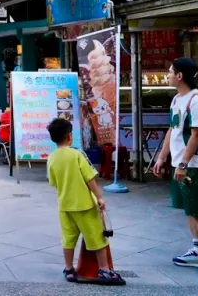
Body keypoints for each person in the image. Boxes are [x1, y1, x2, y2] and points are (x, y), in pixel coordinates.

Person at [47, 118, 121, 284]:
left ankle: (68, 269)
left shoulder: (52, 158)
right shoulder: (77, 154)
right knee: (97, 237)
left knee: (68, 238)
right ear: (69, 136)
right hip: (85, 205)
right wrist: (99, 197)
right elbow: (89, 178)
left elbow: (53, 182)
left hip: (65, 205)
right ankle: (104, 270)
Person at [153, 58, 198, 275]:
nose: (168, 75)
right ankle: (197, 249)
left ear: (180, 76)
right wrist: (162, 157)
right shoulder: (177, 99)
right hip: (179, 162)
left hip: (196, 163)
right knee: (189, 208)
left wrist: (184, 163)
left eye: (170, 71)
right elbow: (172, 130)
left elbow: (196, 134)